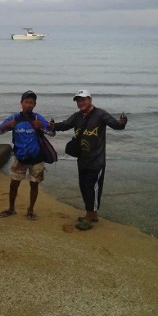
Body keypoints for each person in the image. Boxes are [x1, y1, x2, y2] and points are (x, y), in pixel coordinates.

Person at [50, 89, 128, 231]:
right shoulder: (76, 117)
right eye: (78, 101)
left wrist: (122, 122)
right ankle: (93, 214)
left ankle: (88, 215)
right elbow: (65, 125)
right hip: (82, 159)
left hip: (97, 161)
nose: (81, 103)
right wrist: (53, 126)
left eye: (83, 99)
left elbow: (116, 125)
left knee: (93, 188)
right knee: (84, 187)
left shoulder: (101, 114)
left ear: (90, 100)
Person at [0, 90, 52, 221]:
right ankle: (11, 209)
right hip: (20, 158)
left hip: (37, 158)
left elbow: (52, 133)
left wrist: (41, 127)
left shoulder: (38, 118)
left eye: (31, 103)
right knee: (13, 184)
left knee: (34, 185)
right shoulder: (14, 118)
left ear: (35, 105)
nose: (29, 105)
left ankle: (31, 210)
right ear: (21, 103)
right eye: (26, 102)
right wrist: (7, 125)